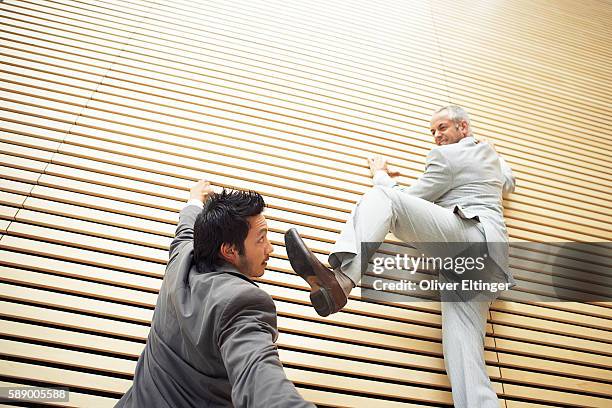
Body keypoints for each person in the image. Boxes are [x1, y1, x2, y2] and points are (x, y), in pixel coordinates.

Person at [285, 105, 516, 408]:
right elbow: (509, 182)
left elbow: (407, 200)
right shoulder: (491, 158)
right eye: (432, 131)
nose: (436, 136)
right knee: (464, 358)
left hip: (471, 240)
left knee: (384, 200)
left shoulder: (447, 157)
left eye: (442, 128)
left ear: (463, 127)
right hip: (486, 267)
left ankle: (342, 280)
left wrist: (381, 176)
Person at [117, 180, 314, 408]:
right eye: (261, 238)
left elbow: (186, 226)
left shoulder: (181, 259)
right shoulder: (242, 303)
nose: (270, 248)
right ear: (229, 250)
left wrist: (195, 198)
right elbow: (258, 376)